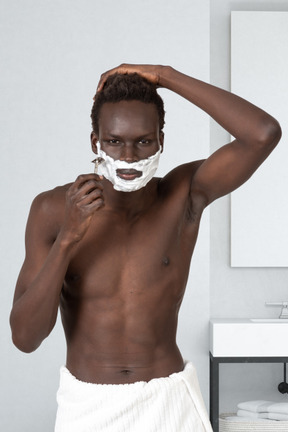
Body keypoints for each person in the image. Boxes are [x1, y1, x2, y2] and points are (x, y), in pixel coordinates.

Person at [10, 64, 281, 432]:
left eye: (144, 141)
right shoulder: (52, 210)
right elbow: (25, 338)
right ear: (95, 142)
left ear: (161, 140)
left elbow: (263, 134)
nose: (129, 156)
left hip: (169, 402)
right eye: (114, 141)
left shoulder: (184, 195)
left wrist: (164, 75)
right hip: (88, 406)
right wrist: (68, 238)